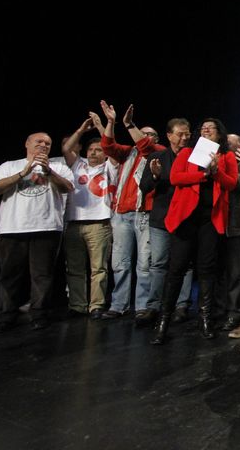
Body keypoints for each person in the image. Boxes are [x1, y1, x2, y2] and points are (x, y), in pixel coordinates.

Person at [151, 118, 238, 344]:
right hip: (186, 218)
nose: (206, 131)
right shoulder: (187, 152)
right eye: (203, 129)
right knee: (176, 269)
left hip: (210, 220)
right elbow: (175, 177)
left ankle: (205, 319)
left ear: (219, 134)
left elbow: (231, 183)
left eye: (211, 129)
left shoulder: (226, 156)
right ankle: (163, 321)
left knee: (207, 269)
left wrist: (216, 171)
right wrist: (203, 175)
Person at [0, 132, 74, 332]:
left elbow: (68, 188)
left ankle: (39, 315)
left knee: (42, 276)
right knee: (9, 276)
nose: (43, 145)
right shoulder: (9, 166)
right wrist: (22, 173)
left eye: (48, 143)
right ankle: (6, 317)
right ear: (27, 144)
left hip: (46, 227)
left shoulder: (59, 167)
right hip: (12, 228)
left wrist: (49, 171)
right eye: (39, 141)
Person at [99, 101, 165, 323]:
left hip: (144, 213)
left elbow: (145, 146)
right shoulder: (128, 152)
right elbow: (107, 146)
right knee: (120, 263)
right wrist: (110, 122)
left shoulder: (159, 152)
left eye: (149, 134)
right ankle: (118, 305)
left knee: (144, 264)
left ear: (156, 139)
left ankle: (143, 306)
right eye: (141, 133)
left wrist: (129, 124)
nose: (143, 136)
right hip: (122, 214)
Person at [61, 114, 117, 319]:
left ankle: (96, 305)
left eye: (98, 149)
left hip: (99, 223)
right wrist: (81, 130)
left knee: (98, 268)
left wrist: (102, 127)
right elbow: (66, 149)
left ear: (105, 153)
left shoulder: (110, 165)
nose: (93, 152)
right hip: (74, 222)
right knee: (75, 268)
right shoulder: (78, 164)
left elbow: (112, 148)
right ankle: (77, 305)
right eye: (91, 149)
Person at [139, 118, 194, 326]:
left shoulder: (194, 157)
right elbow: (144, 187)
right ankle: (153, 306)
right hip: (161, 217)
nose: (184, 138)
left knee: (185, 264)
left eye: (187, 134)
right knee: (158, 263)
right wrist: (155, 176)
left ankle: (181, 305)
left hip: (186, 217)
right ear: (169, 136)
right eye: (180, 134)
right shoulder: (157, 157)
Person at [216, 134, 240, 334]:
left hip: (239, 224)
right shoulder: (220, 161)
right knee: (223, 271)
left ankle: (236, 310)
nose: (226, 146)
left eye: (231, 144)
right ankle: (221, 308)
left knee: (237, 272)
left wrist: (217, 171)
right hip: (219, 223)